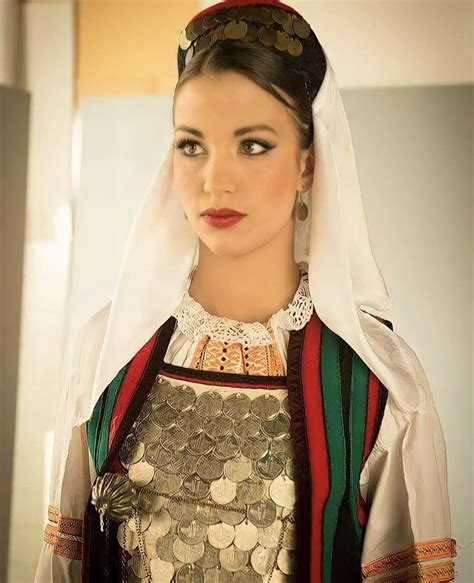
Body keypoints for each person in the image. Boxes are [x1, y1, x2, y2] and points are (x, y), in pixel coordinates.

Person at [34, 0, 457, 581]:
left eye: (253, 145)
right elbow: (61, 567)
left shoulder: (380, 385)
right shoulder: (106, 349)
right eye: (192, 145)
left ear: (309, 164)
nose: (215, 179)